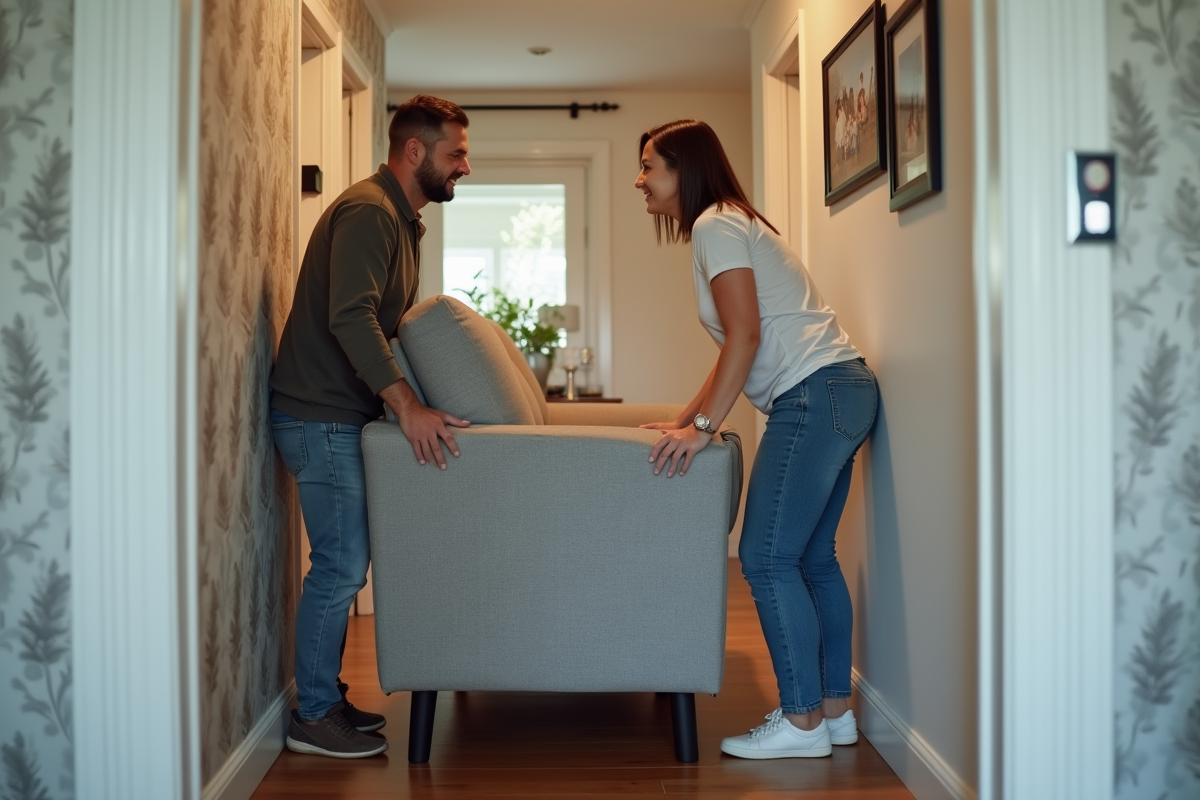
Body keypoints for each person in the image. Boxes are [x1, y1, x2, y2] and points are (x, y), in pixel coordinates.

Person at [633, 119, 878, 759]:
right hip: (844, 389)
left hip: (811, 395)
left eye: (650, 166)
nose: (641, 180)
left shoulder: (716, 224)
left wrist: (705, 429)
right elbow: (735, 347)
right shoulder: (734, 220)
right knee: (812, 558)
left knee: (768, 560)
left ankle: (800, 725)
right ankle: (832, 714)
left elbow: (745, 337)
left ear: (683, 169)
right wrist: (689, 417)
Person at [268, 94, 473, 758]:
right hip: (318, 416)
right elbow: (351, 317)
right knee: (339, 567)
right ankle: (314, 715)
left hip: (336, 416)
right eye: (456, 153)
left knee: (344, 565)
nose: (465, 167)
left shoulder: (402, 219)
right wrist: (407, 406)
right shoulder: (368, 211)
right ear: (415, 151)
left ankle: (326, 696)